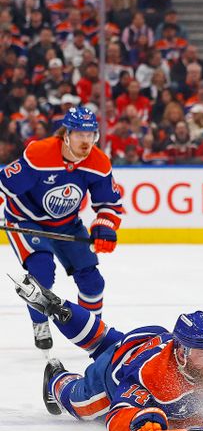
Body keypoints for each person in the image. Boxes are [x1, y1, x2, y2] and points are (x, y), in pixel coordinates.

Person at [9, 274, 203, 431]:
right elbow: (118, 416)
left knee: (105, 341)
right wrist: (141, 421)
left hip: (137, 345)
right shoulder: (151, 374)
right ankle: (57, 379)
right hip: (110, 376)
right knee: (83, 405)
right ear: (181, 353)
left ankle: (62, 311)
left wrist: (191, 415)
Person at [0, 106, 123, 351]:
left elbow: (109, 203)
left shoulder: (98, 162)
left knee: (93, 282)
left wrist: (104, 227)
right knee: (42, 273)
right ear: (66, 135)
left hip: (67, 224)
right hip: (26, 220)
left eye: (91, 134)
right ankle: (40, 322)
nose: (86, 141)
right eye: (80, 134)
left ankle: (91, 332)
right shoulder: (40, 154)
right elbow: (3, 186)